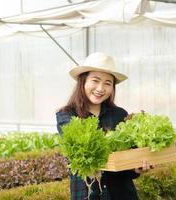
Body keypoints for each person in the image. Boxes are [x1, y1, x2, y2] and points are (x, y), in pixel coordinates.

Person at [56, 52, 151, 200]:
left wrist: (136, 167)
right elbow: (82, 152)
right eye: (95, 80)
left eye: (108, 83)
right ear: (83, 81)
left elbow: (125, 165)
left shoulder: (120, 115)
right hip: (88, 195)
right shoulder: (66, 115)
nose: (101, 88)